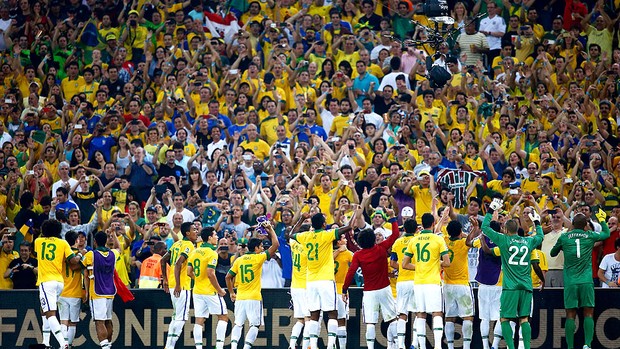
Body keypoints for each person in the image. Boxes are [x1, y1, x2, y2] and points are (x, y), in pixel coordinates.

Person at [481, 198, 544, 349]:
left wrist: (491, 209)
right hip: (526, 286)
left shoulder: (503, 240)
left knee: (504, 318)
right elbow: (540, 237)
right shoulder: (528, 241)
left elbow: (484, 227)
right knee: (524, 319)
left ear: (506, 230)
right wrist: (537, 222)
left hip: (510, 287)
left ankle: (510, 347)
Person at [291, 212, 356, 349]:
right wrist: (354, 214)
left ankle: (313, 346)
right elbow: (349, 226)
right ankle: (331, 345)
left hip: (310, 281)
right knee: (332, 313)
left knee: (314, 314)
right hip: (326, 280)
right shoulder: (327, 235)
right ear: (324, 224)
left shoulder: (305, 236)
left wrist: (301, 219)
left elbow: (291, 234)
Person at [550, 210, 610, 349]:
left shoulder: (564, 237)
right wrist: (602, 219)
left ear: (572, 225)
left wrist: (564, 247)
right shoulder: (589, 235)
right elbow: (606, 234)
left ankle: (570, 347)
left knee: (570, 314)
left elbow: (553, 253)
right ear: (585, 225)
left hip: (570, 282)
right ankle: (587, 345)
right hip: (586, 281)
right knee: (588, 312)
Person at [342, 207, 400, 349]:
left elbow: (350, 273)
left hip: (369, 292)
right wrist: (392, 218)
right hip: (385, 289)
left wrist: (344, 289)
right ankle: (396, 345)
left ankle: (370, 347)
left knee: (370, 322)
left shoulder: (358, 255)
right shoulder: (381, 249)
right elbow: (395, 235)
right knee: (392, 319)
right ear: (374, 239)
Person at [225, 219, 279, 349]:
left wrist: (232, 293)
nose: (262, 249)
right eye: (260, 247)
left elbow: (228, 277)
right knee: (255, 325)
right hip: (254, 297)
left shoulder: (239, 260)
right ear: (256, 248)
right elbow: (275, 245)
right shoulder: (258, 258)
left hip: (240, 297)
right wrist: (270, 229)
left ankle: (233, 347)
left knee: (238, 324)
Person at [402, 212, 451, 349]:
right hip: (433, 282)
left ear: (421, 224)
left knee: (421, 314)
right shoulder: (438, 240)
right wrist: (436, 264)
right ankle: (437, 346)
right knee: (436, 313)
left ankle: (422, 346)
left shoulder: (414, 240)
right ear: (433, 223)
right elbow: (447, 263)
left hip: (418, 282)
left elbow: (404, 264)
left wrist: (419, 266)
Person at [35, 219, 81, 349]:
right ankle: (46, 342)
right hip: (60, 282)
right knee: (44, 310)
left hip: (46, 282)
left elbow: (38, 253)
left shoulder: (38, 242)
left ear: (44, 230)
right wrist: (80, 256)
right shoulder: (63, 243)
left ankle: (63, 343)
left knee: (50, 313)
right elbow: (73, 260)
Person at [187, 227, 228, 349]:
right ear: (209, 238)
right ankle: (219, 347)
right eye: (215, 235)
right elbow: (210, 273)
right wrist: (220, 289)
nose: (217, 237)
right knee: (223, 317)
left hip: (197, 291)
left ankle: (198, 347)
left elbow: (189, 272)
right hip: (210, 291)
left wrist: (199, 279)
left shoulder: (194, 251)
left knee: (199, 320)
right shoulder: (212, 253)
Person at [443, 219, 480, 349]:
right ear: (460, 231)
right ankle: (466, 346)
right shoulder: (463, 244)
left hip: (447, 285)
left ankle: (450, 347)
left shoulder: (444, 242)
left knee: (449, 317)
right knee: (468, 317)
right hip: (462, 285)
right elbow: (470, 239)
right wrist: (474, 228)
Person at [161, 222, 198, 349]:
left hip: (172, 284)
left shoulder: (176, 244)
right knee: (181, 318)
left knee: (175, 316)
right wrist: (178, 284)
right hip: (181, 286)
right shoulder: (188, 245)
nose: (196, 231)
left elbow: (163, 260)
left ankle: (168, 346)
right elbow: (178, 263)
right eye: (194, 229)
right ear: (187, 233)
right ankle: (171, 346)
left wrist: (165, 279)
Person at [83, 231, 120, 349]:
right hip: (110, 292)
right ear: (106, 241)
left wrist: (86, 292)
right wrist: (114, 235)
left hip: (97, 291)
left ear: (94, 242)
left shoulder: (91, 255)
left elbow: (83, 270)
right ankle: (108, 345)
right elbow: (119, 248)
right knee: (108, 320)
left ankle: (104, 347)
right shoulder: (113, 254)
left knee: (99, 321)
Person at [390, 218, 418, 349]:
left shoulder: (398, 242)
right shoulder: (418, 240)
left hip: (401, 281)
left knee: (402, 314)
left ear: (404, 229)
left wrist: (402, 267)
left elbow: (392, 263)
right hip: (417, 280)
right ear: (416, 229)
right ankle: (414, 343)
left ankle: (401, 345)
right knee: (419, 313)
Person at [59, 232, 85, 348]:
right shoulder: (81, 255)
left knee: (63, 321)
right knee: (72, 322)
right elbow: (75, 266)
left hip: (62, 291)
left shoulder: (62, 254)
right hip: (74, 292)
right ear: (77, 240)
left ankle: (63, 345)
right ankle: (68, 345)